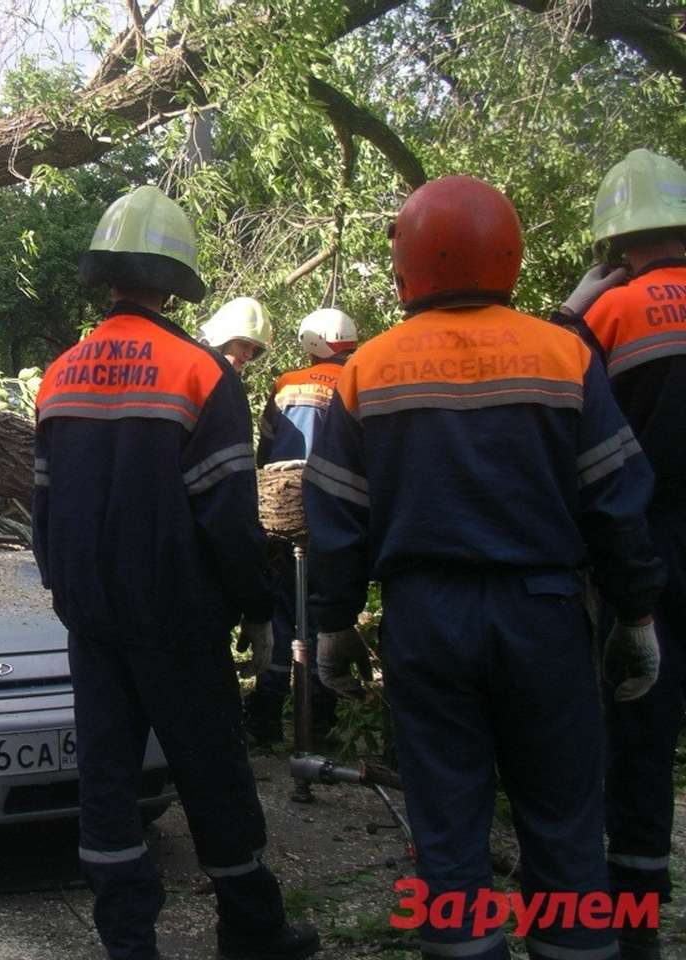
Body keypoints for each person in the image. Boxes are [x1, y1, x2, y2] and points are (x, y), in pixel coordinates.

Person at [305, 175, 664, 960]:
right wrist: (636, 615)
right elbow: (615, 504)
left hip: (426, 623)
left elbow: (335, 517)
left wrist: (331, 626)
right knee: (567, 824)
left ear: (409, 266)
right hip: (544, 616)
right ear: (508, 253)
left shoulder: (368, 369)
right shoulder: (563, 353)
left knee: (447, 831)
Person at [33, 184, 319, 960]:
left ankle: (128, 944)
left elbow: (44, 509)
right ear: (174, 283)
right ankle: (253, 934)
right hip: (180, 623)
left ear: (109, 276)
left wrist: (68, 593)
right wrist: (255, 609)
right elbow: (227, 519)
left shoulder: (60, 374)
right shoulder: (199, 373)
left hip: (93, 624)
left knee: (107, 789)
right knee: (215, 781)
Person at [554, 147, 686, 960]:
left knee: (638, 730)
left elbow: (560, 415)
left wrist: (571, 314)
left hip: (642, 547)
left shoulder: (608, 315)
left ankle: (633, 922)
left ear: (614, 238)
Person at [246, 309, 358, 745]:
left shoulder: (286, 384)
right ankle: (319, 722)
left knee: (282, 614)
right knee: (323, 614)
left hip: (283, 514)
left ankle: (265, 715)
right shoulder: (357, 380)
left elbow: (266, 448)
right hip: (334, 516)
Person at [199, 296, 274, 374]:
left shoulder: (226, 383)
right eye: (244, 345)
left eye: (254, 350)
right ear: (221, 338)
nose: (249, 355)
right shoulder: (189, 365)